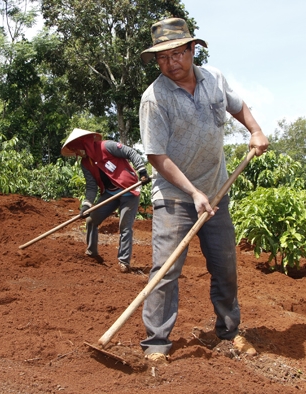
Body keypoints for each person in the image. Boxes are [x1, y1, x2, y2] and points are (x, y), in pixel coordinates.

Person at [138, 17, 269, 361]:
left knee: (225, 266)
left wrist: (255, 131)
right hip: (175, 197)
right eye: (162, 58)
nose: (170, 63)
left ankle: (228, 332)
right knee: (165, 270)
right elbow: (156, 155)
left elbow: (236, 105)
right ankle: (156, 343)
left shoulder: (214, 79)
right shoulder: (155, 98)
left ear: (192, 49)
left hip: (216, 192)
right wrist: (193, 193)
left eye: (177, 53)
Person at [61, 128, 151, 273]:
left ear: (83, 143)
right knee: (91, 220)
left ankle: (124, 262)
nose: (76, 153)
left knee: (125, 226)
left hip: (129, 190)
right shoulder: (85, 164)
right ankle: (92, 253)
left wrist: (142, 171)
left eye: (76, 149)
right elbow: (91, 188)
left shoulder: (106, 146)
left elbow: (130, 152)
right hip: (110, 193)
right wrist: (86, 206)